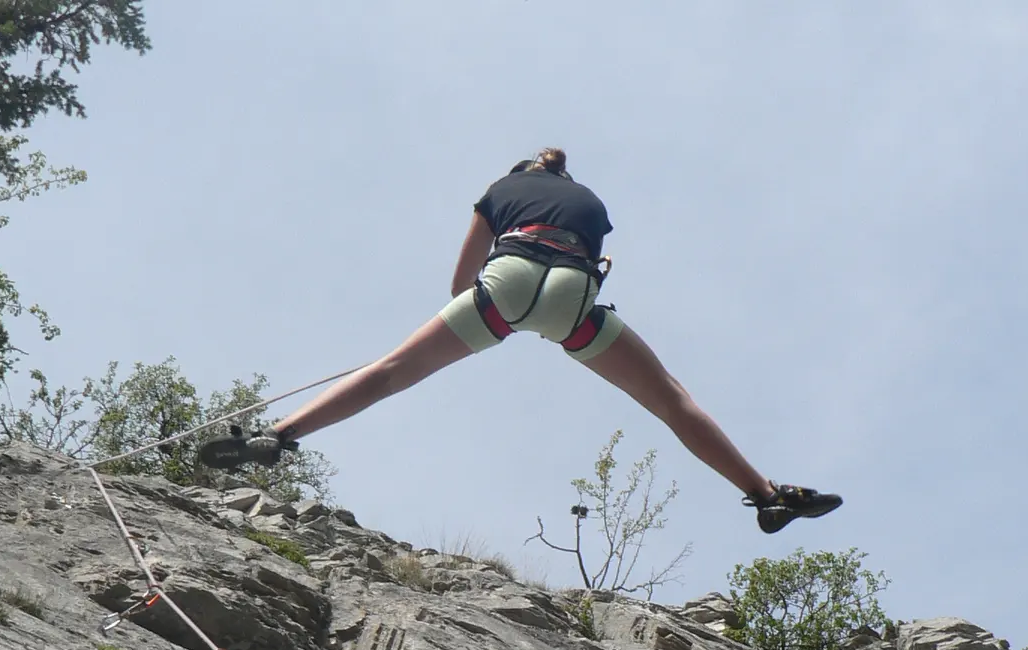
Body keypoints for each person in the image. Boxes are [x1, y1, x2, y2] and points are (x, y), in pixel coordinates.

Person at [199, 147, 842, 535]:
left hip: (504, 282)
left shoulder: (500, 192)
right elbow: (592, 258)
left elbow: (460, 280)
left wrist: (464, 319)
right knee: (671, 399)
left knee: (395, 370)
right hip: (573, 296)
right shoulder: (590, 201)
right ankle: (766, 495)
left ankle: (278, 435)